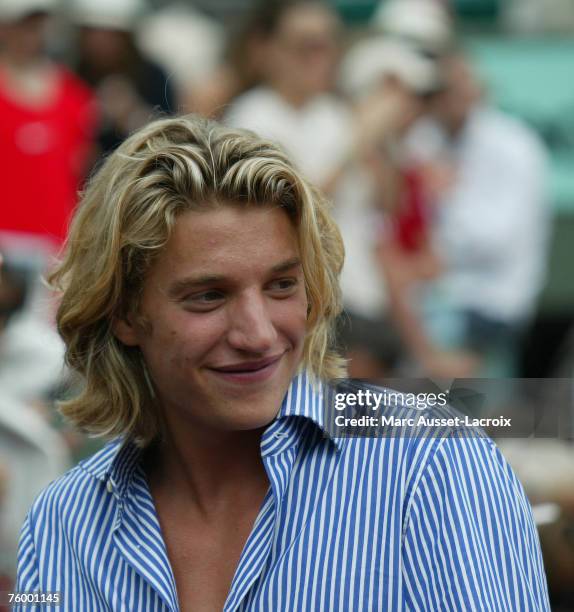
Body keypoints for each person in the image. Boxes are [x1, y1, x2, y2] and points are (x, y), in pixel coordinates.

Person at [15, 115, 550, 610]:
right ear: (125, 313)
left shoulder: (431, 466)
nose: (258, 333)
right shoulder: (64, 522)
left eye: (282, 286)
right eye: (208, 295)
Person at [406, 54, 550, 376]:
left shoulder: (515, 146)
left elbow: (495, 241)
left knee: (483, 418)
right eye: (440, 90)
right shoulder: (423, 139)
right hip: (435, 301)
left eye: (459, 87)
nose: (449, 98)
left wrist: (442, 198)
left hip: (492, 304)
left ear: (479, 90)